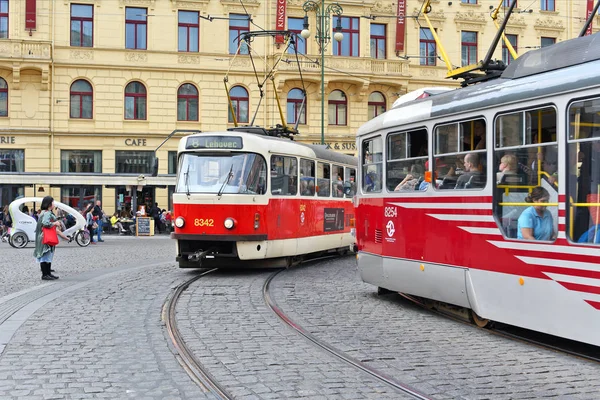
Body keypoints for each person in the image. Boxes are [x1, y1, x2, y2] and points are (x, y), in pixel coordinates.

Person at [33, 196, 69, 280]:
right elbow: (45, 223)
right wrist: (55, 223)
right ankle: (45, 274)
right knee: (45, 256)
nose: (54, 204)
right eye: (53, 202)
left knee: (47, 256)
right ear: (49, 204)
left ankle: (48, 273)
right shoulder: (47, 213)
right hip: (45, 237)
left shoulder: (45, 212)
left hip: (43, 236)